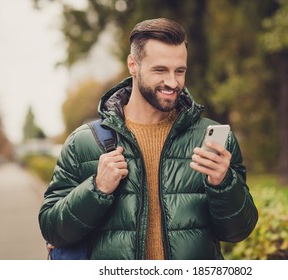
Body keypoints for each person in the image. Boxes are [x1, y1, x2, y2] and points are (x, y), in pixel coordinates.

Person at [39, 18, 258, 260]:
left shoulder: (216, 142)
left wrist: (224, 185)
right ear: (133, 65)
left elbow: (239, 231)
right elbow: (52, 228)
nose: (173, 82)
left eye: (180, 71)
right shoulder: (84, 142)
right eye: (160, 70)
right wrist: (97, 189)